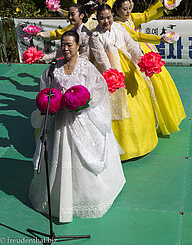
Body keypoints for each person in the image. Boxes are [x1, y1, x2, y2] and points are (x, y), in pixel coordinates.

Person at [29, 30, 125, 223]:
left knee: (85, 158)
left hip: (81, 119)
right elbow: (45, 90)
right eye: (62, 44)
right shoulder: (53, 69)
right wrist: (52, 102)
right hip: (60, 122)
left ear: (78, 46)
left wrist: (84, 102)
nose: (65, 48)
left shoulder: (86, 66)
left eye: (69, 44)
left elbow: (98, 88)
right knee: (58, 156)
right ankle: (57, 200)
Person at [89, 3, 158, 161]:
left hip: (128, 68)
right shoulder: (95, 36)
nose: (106, 21)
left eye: (109, 17)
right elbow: (101, 59)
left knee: (137, 102)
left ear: (113, 16)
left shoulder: (120, 28)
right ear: (97, 19)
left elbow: (132, 45)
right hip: (112, 74)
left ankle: (142, 142)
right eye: (102, 18)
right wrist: (112, 76)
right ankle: (118, 148)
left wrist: (143, 60)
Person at [113, 0, 186, 135]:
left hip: (143, 50)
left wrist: (163, 5)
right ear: (116, 10)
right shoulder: (118, 25)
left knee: (159, 81)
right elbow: (136, 36)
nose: (127, 12)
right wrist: (159, 39)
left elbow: (146, 15)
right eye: (124, 9)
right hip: (131, 56)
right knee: (145, 87)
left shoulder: (130, 19)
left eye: (129, 8)